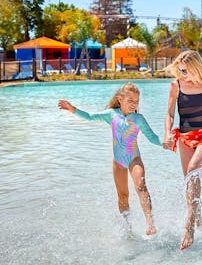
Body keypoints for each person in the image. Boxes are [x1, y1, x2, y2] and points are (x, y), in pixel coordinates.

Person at [57, 82, 161, 236]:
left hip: (134, 158)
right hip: (118, 161)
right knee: (122, 195)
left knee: (141, 186)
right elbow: (90, 117)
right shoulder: (111, 114)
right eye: (130, 100)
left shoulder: (138, 118)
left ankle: (150, 223)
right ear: (120, 99)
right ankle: (127, 227)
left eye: (136, 101)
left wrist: (165, 143)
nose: (134, 104)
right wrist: (72, 109)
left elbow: (152, 137)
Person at [162, 50, 202, 250]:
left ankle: (189, 224)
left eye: (185, 70)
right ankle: (197, 214)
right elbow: (170, 113)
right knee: (190, 180)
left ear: (196, 67)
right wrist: (167, 133)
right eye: (180, 70)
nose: (182, 73)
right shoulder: (176, 86)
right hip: (185, 137)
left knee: (194, 167)